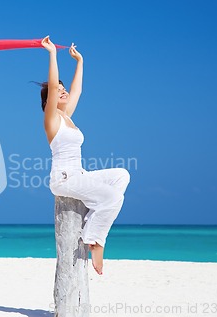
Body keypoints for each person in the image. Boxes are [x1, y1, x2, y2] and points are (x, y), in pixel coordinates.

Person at [41, 35, 130, 275]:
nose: (62, 91)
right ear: (50, 98)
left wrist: (80, 61)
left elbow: (77, 90)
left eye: (63, 89)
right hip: (64, 178)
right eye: (57, 90)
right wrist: (52, 53)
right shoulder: (52, 119)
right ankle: (96, 240)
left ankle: (95, 215)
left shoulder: (67, 116)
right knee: (114, 199)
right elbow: (51, 87)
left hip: (79, 175)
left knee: (121, 176)